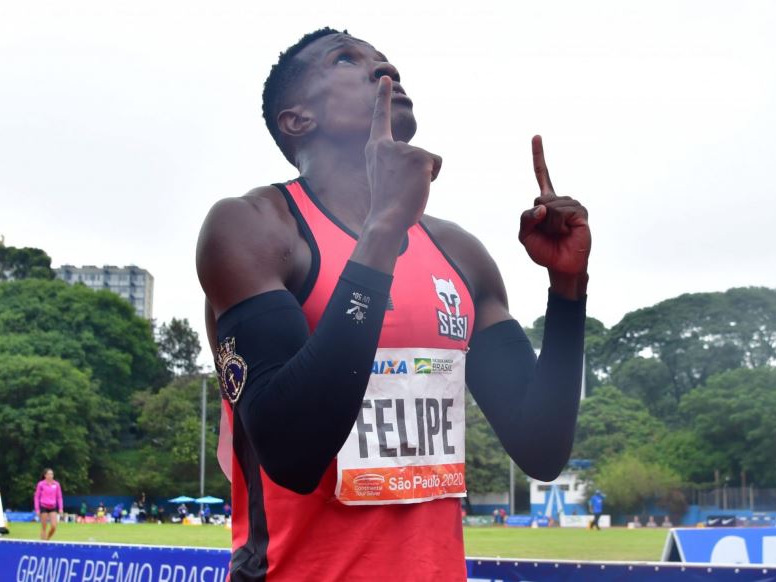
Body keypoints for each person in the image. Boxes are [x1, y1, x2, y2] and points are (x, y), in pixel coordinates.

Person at [197, 27, 590, 581]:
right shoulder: (253, 228)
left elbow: (541, 448)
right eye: (345, 59)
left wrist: (568, 289)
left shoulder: (459, 253)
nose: (385, 68)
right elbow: (292, 454)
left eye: (385, 59)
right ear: (297, 119)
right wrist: (383, 227)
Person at [33, 468, 63, 540]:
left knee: (54, 526)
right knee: (44, 527)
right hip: (43, 507)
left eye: (52, 474)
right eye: (49, 474)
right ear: (45, 475)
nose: (50, 475)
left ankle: (47, 539)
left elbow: (59, 497)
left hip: (53, 507)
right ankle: (43, 543)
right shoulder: (41, 484)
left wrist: (60, 508)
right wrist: (37, 509)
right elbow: (36, 497)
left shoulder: (56, 484)